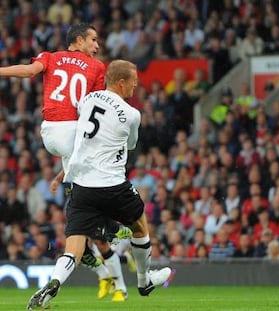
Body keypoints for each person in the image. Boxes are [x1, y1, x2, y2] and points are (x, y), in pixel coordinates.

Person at [27, 60, 174, 310]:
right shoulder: (131, 114)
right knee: (140, 225)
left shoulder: (88, 99)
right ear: (121, 82)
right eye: (134, 80)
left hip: (82, 187)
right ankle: (144, 280)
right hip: (112, 185)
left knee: (73, 247)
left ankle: (53, 283)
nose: (136, 85)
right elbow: (130, 145)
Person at [0, 23, 130, 302]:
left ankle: (106, 274)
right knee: (90, 199)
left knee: (83, 221)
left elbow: (27, 71)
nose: (97, 45)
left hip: (50, 132)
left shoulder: (50, 56)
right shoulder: (97, 67)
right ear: (79, 40)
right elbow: (95, 109)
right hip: (74, 131)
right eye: (93, 39)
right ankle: (113, 228)